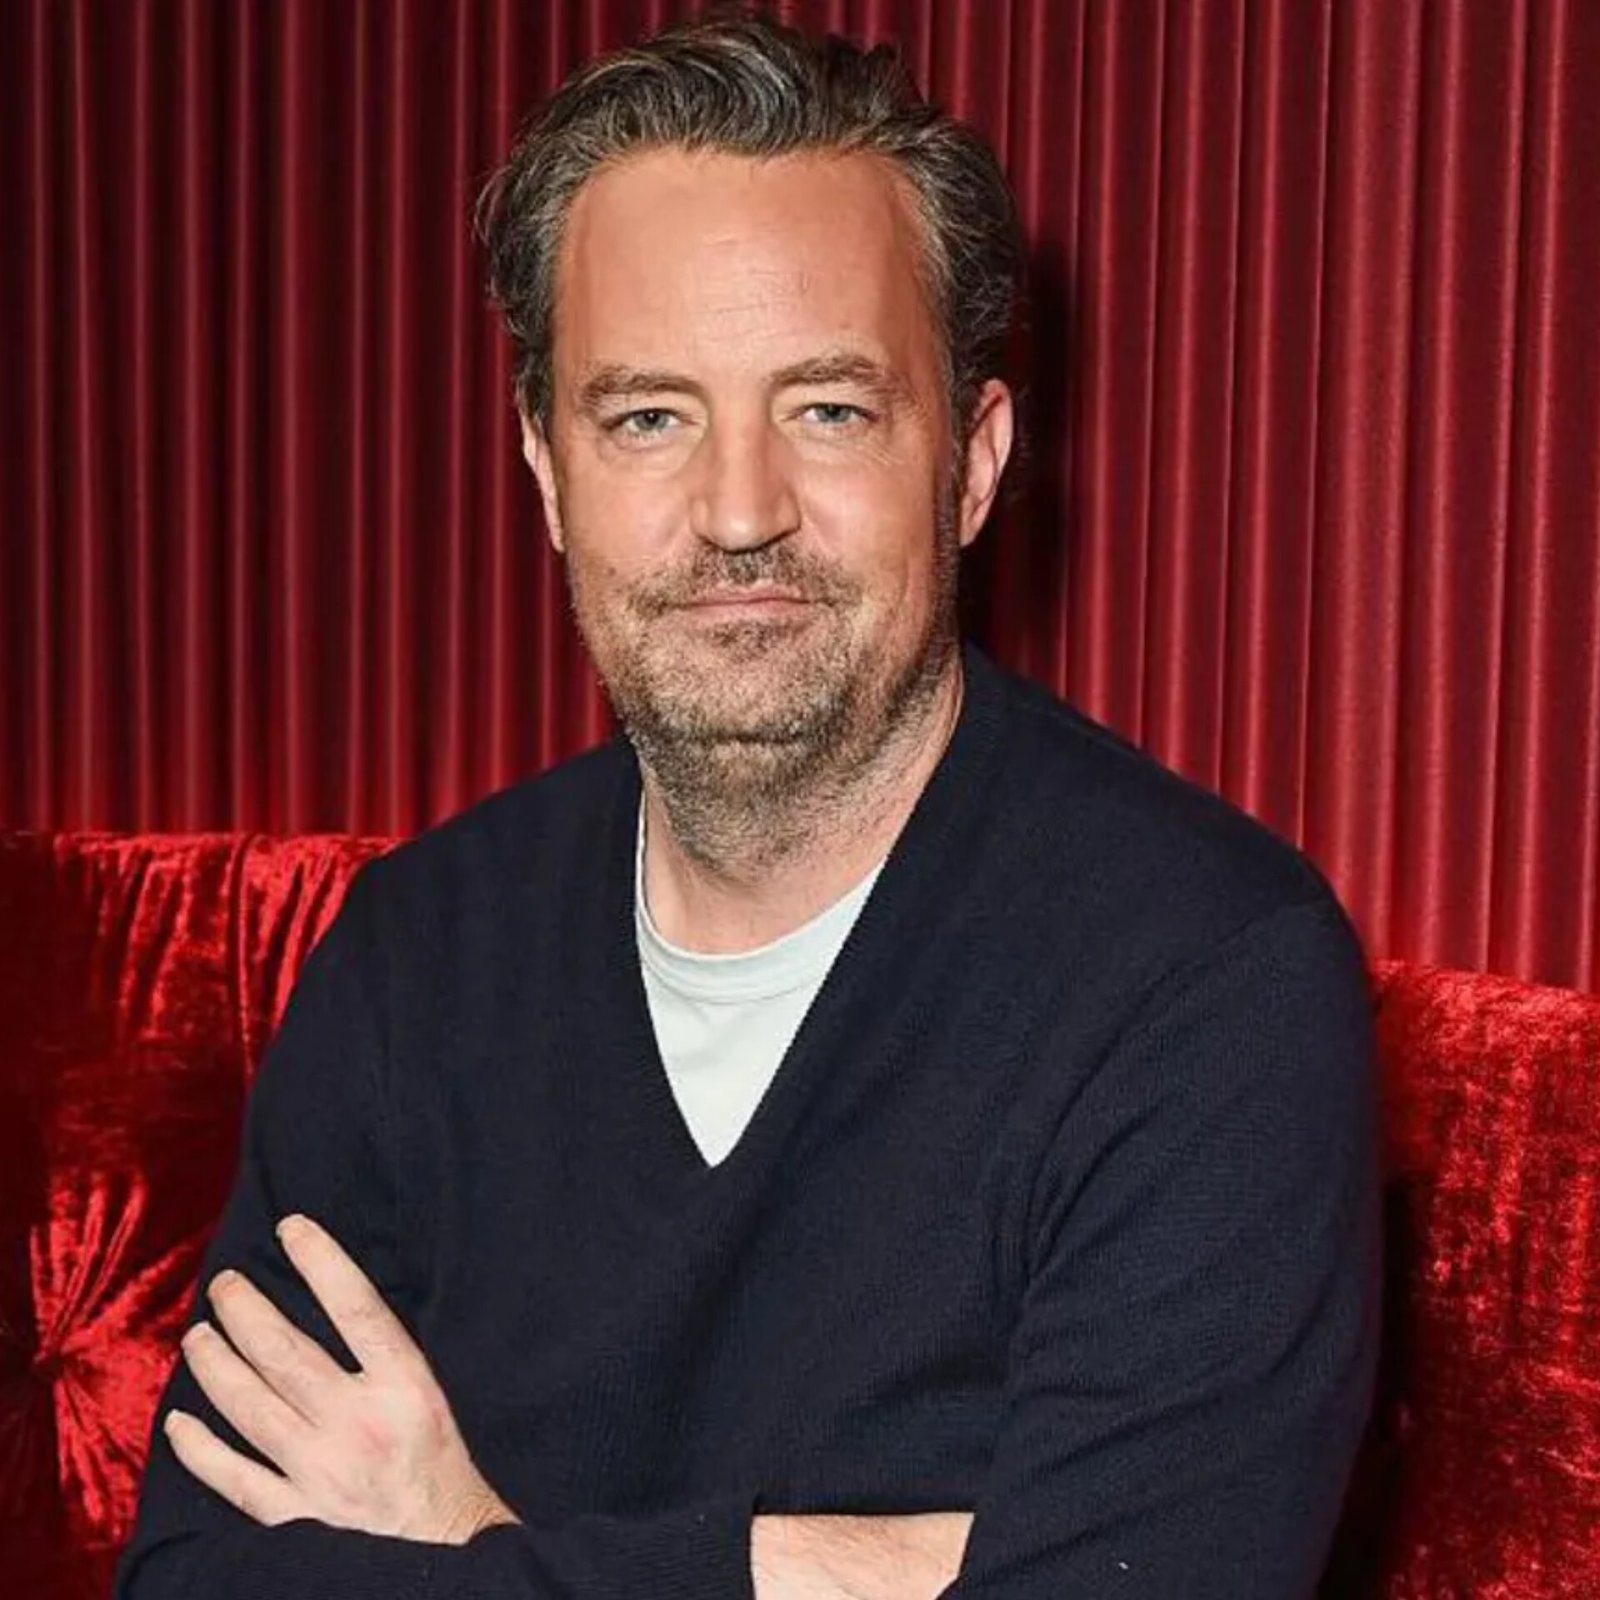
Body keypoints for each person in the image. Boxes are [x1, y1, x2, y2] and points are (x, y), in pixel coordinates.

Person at [114, 11, 1380, 1599]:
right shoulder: (416, 950)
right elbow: (191, 1581)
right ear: (548, 471)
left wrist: (472, 1547)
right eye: (648, 415)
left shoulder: (1209, 980)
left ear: (973, 463)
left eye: (829, 408)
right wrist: (822, 1567)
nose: (736, 512)